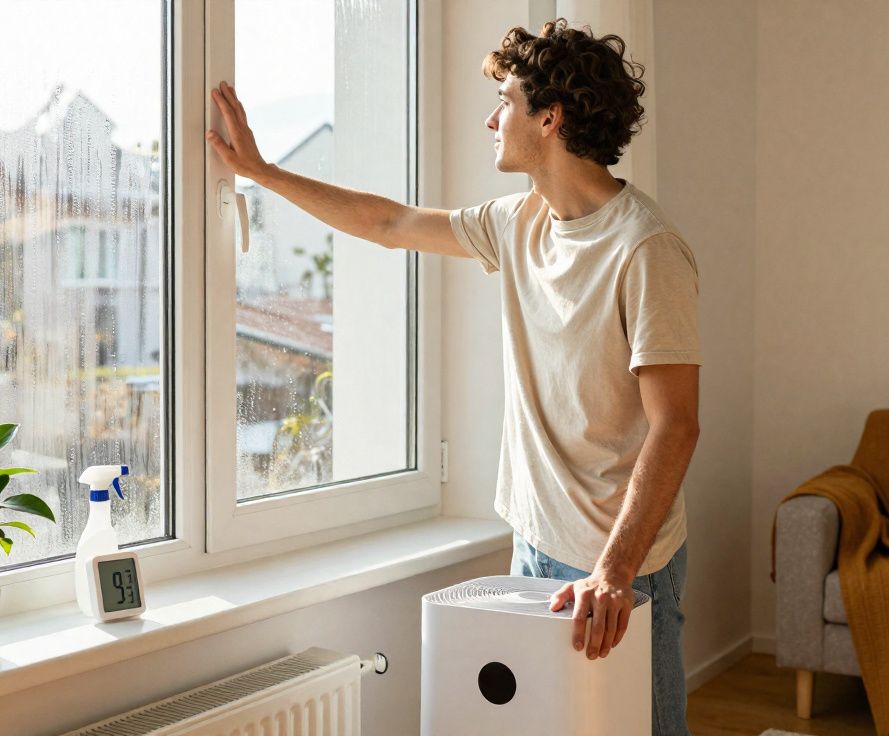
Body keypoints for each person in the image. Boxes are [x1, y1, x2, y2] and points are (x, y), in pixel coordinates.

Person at [207, 18, 701, 734]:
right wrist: (264, 174)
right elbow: (391, 224)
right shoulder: (520, 222)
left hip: (619, 565)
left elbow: (676, 424)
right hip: (535, 543)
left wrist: (616, 572)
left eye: (506, 100)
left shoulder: (646, 249)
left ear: (550, 119)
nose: (492, 118)